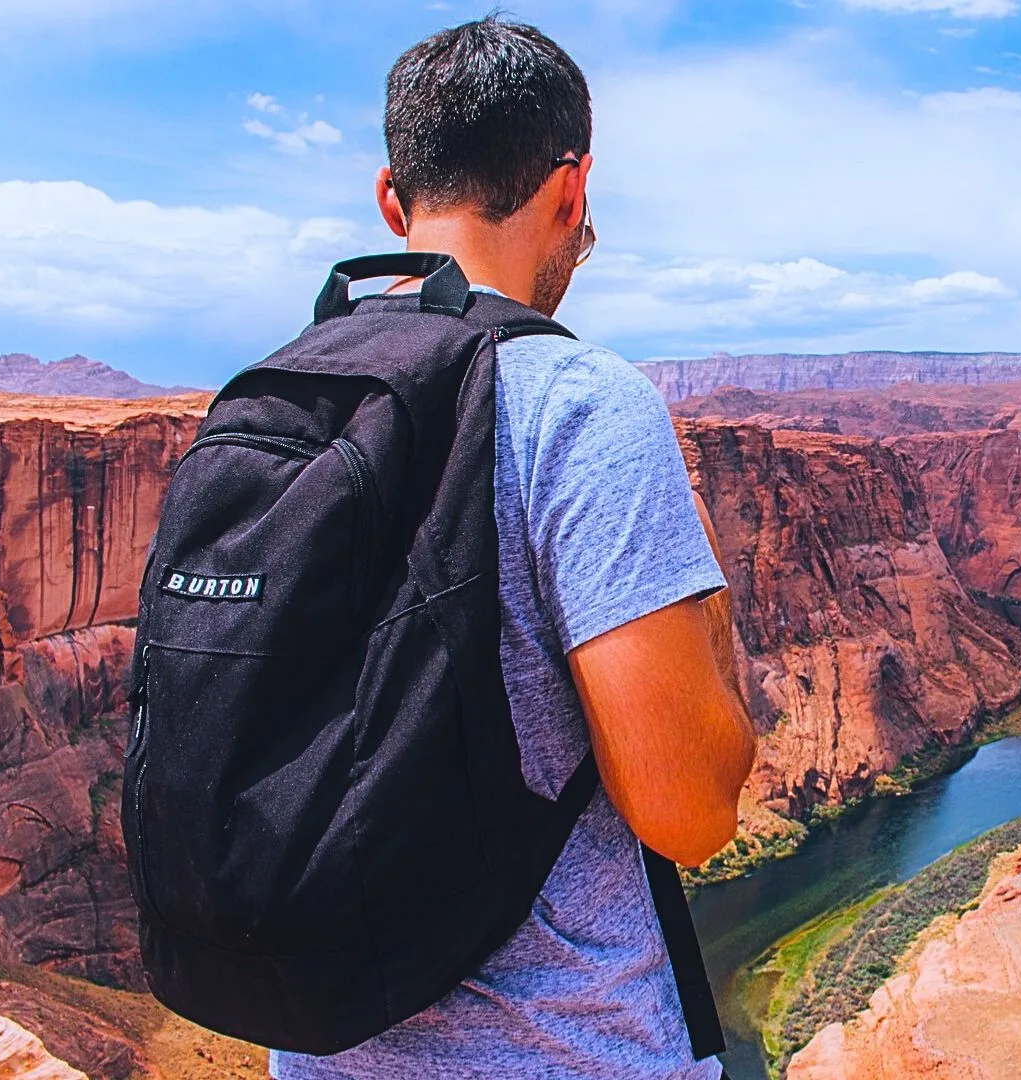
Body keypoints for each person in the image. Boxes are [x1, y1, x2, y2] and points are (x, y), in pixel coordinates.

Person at [269, 17, 756, 1080]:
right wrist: (707, 594)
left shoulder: (282, 402)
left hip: (319, 1055)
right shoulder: (579, 403)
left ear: (392, 199)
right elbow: (692, 813)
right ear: (572, 193)